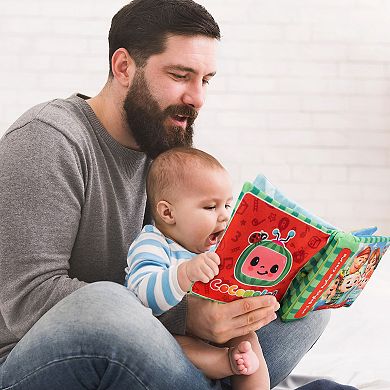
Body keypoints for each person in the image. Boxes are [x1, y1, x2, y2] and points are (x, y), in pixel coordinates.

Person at [0, 0, 331, 389]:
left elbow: (180, 255)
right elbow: (23, 300)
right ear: (123, 67)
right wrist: (188, 315)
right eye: (180, 75)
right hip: (36, 360)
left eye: (205, 80)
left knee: (301, 308)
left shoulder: (163, 148)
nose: (197, 98)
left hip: (155, 344)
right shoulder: (49, 140)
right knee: (108, 304)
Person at [126, 147, 272, 390]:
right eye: (210, 207)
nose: (224, 216)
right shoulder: (153, 242)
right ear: (168, 212)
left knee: (248, 341)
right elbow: (141, 295)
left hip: (217, 334)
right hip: (167, 338)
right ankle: (225, 362)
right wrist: (183, 274)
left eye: (227, 205)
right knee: (175, 344)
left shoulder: (214, 249)